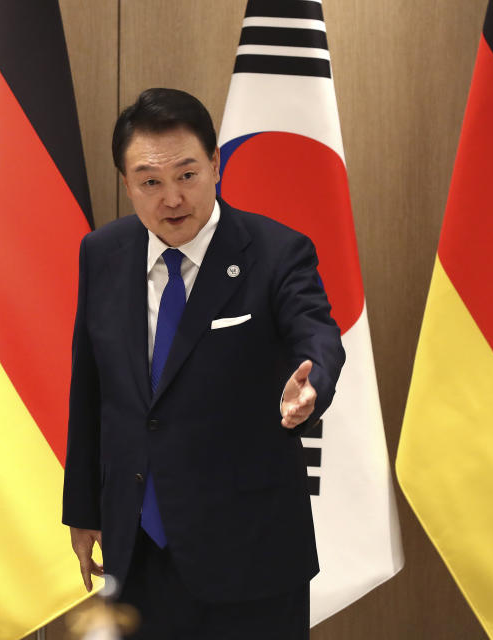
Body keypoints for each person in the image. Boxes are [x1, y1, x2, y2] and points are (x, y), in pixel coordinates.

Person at [62, 88, 345, 639]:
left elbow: (317, 333)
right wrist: (83, 509)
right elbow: (91, 388)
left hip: (249, 553)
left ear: (216, 165)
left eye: (187, 175)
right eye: (150, 182)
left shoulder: (275, 250)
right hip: (137, 546)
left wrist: (313, 385)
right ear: (127, 184)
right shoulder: (103, 253)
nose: (171, 199)